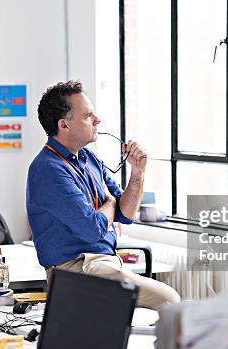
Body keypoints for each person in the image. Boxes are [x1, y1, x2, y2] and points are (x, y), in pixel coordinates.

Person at [26, 80, 180, 310]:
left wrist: (137, 172)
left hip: (103, 263)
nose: (97, 120)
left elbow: (126, 213)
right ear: (64, 125)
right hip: (77, 269)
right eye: (88, 116)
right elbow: (92, 229)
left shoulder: (88, 159)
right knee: (170, 300)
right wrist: (109, 202)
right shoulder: (48, 169)